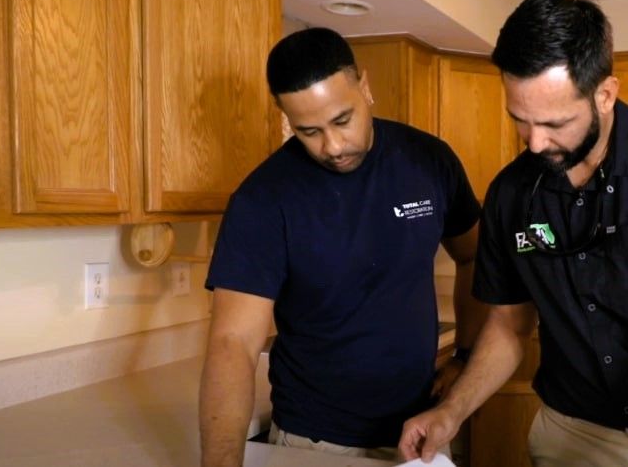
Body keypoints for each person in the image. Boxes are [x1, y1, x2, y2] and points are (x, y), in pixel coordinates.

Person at [399, 0, 628, 467]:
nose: (534, 144)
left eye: (554, 123)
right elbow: (509, 327)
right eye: (520, 121)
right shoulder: (511, 194)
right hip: (571, 437)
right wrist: (451, 411)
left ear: (605, 95)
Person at [199, 27, 485, 467]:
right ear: (284, 119)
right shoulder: (262, 199)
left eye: (342, 120)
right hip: (313, 440)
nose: (332, 147)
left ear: (364, 87)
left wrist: (464, 356)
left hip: (421, 430)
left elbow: (473, 255)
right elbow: (233, 343)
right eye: (308, 131)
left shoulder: (429, 160)